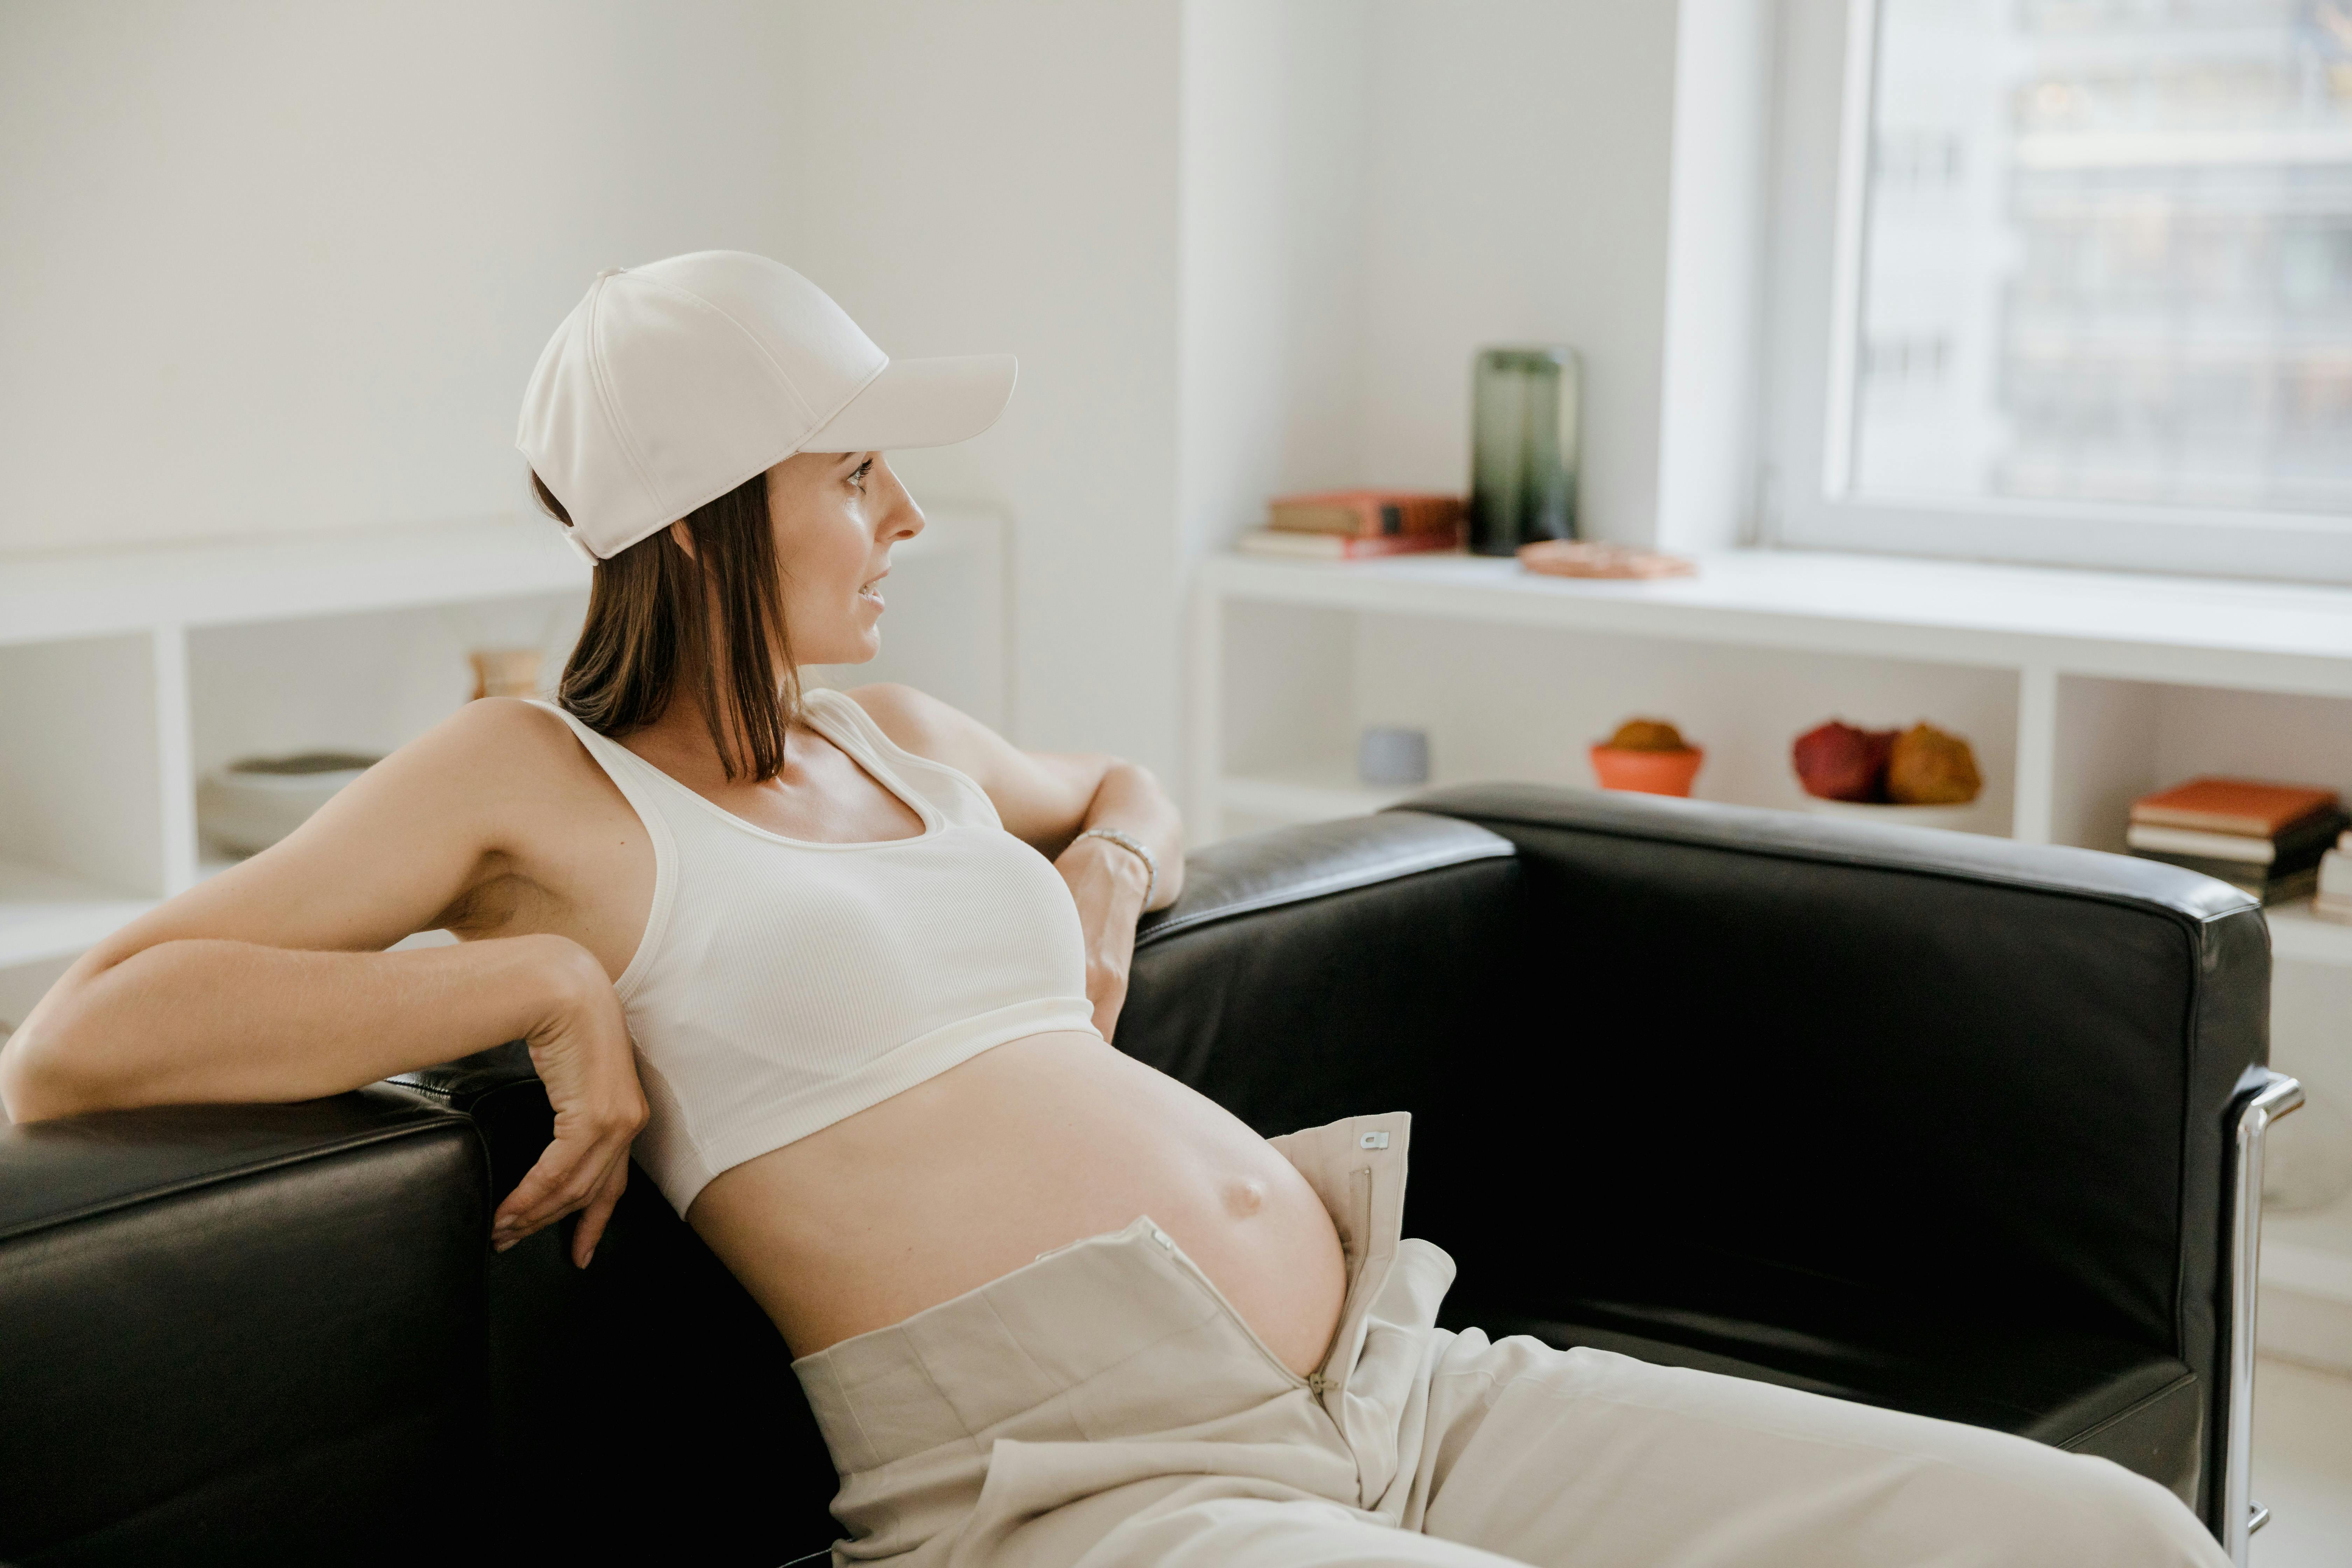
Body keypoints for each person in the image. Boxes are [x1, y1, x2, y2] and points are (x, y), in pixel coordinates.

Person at [0, 252, 2225, 1568]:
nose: (902, 516)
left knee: (2101, 1542)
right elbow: (85, 1033)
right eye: (854, 471)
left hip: (1397, 1373)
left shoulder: (902, 741)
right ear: (707, 506)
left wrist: (1112, 870)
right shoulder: (533, 789)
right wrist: (532, 978)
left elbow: (1127, 789)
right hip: (1074, 1487)